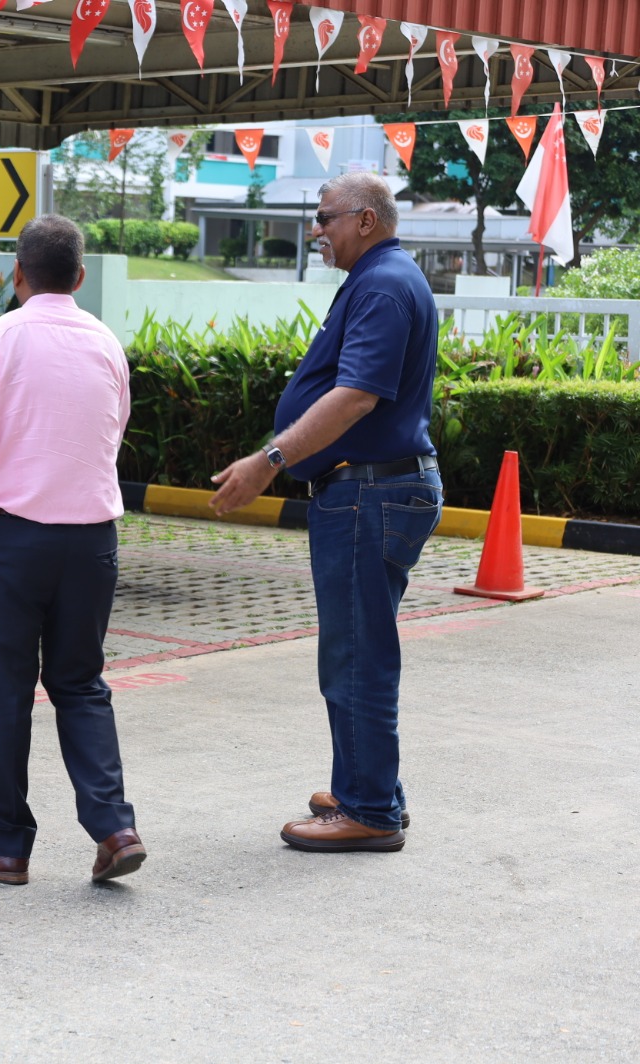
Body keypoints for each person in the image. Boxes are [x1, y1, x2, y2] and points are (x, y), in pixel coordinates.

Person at [209, 171, 443, 853]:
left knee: (357, 656)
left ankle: (368, 808)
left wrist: (269, 461)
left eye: (326, 217)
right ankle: (369, 789)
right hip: (370, 489)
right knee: (353, 649)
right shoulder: (382, 279)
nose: (318, 229)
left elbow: (356, 396)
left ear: (365, 219)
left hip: (369, 492)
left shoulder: (382, 285)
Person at [0, 215, 144, 887]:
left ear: (16, 276)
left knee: (4, 689)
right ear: (78, 278)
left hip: (16, 539)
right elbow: (116, 426)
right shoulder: (106, 342)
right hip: (93, 541)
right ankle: (113, 826)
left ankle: (5, 845)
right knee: (81, 683)